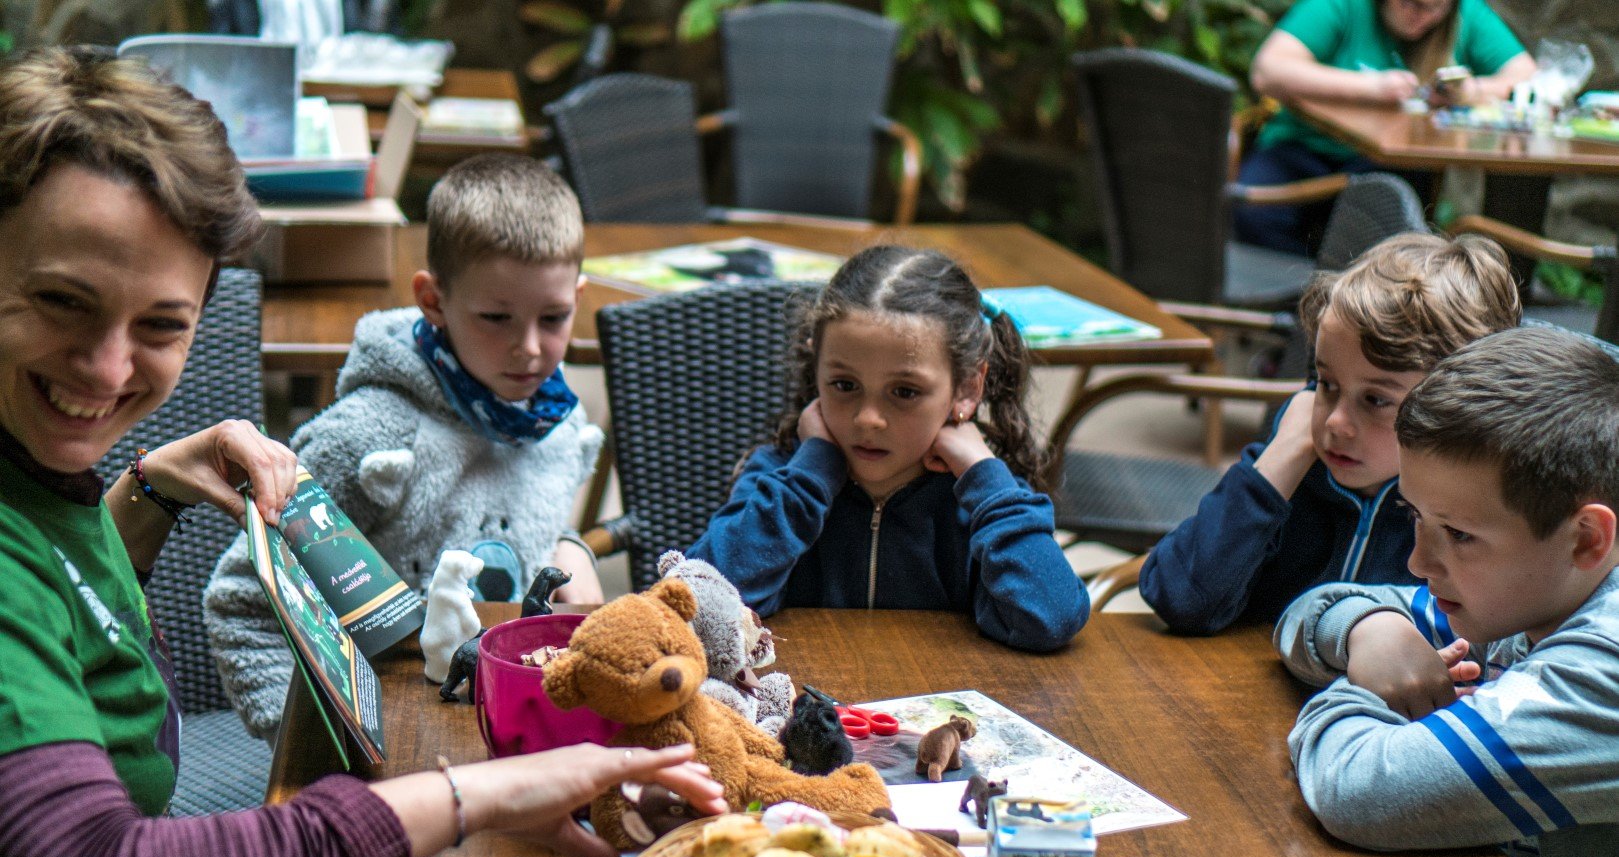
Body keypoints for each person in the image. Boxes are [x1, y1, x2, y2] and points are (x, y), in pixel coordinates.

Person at [0, 47, 726, 857]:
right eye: (64, 303)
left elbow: (56, 620)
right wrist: (469, 800)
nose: (110, 368)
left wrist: (146, 490)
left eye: (161, 325)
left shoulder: (35, 475)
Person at [205, 153, 604, 739]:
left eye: (554, 317)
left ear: (578, 295)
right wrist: (306, 742)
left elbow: (533, 527)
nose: (529, 349)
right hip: (387, 742)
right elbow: (244, 599)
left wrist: (571, 549)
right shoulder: (366, 437)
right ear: (434, 300)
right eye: (496, 317)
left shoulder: (559, 422)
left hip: (510, 724)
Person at [1274, 326, 1619, 857]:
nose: (1418, 563)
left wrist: (1359, 692)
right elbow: (1312, 609)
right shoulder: (1532, 594)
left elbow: (1360, 791)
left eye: (1459, 535)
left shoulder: (1603, 673)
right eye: (1414, 517)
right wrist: (1370, 630)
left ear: (1586, 539)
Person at [688, 245, 1087, 652]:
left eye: (904, 391)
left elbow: (1051, 619)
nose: (868, 419)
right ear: (816, 370)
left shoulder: (984, 502)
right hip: (801, 708)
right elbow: (699, 607)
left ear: (967, 388)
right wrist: (811, 474)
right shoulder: (780, 478)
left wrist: (984, 473)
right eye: (844, 385)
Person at [1138, 232, 1519, 635]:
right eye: (1326, 383)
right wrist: (1281, 458)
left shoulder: (1474, 519)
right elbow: (1177, 597)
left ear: (1457, 413)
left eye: (1375, 400)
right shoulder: (1294, 470)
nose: (1335, 421)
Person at [1237, 0, 1536, 254]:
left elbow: (1527, 78)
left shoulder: (1466, 13)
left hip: (1391, 165)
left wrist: (1472, 91)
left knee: (1393, 231)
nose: (1419, 14)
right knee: (1253, 217)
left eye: (1433, 8)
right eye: (1409, 2)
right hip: (1304, 146)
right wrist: (1372, 87)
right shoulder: (1343, 7)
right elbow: (1268, 70)